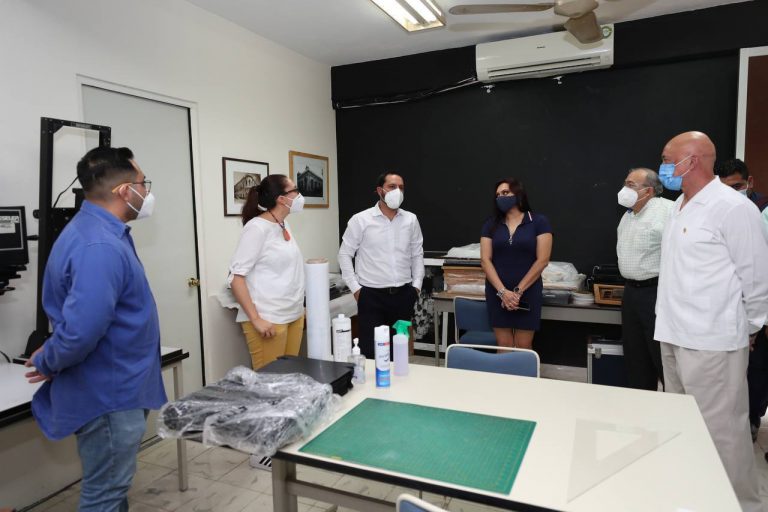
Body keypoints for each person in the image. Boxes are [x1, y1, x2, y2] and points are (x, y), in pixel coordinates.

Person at [24, 146, 166, 511]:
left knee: (112, 492)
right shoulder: (98, 245)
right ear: (125, 191)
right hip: (110, 394)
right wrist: (50, 359)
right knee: (104, 495)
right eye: (142, 184)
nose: (146, 192)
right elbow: (81, 331)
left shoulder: (100, 232)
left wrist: (52, 353)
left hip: (118, 385)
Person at [655, 131, 768, 512]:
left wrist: (750, 328)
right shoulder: (678, 206)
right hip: (673, 333)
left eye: (667, 160)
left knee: (723, 434)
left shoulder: (732, 207)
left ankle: (741, 505)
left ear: (692, 161)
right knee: (684, 426)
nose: (663, 167)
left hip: (713, 341)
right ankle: (695, 498)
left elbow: (756, 277)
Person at [338, 172, 424, 359]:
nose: (397, 191)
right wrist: (356, 289)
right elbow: (344, 254)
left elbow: (417, 254)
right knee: (371, 352)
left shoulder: (411, 220)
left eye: (401, 187)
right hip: (371, 297)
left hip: (403, 296)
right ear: (380, 190)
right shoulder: (361, 220)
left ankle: (399, 378)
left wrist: (416, 287)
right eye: (392, 187)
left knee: (399, 353)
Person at [228, 174, 306, 371]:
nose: (299, 195)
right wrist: (256, 319)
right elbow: (236, 279)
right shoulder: (256, 228)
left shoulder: (282, 223)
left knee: (289, 379)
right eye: (295, 190)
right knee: (269, 383)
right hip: (269, 319)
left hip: (293, 314)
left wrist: (299, 307)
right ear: (281, 198)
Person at [716, 158, 768, 439]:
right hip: (731, 306)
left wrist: (759, 319)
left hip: (759, 303)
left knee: (757, 370)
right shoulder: (717, 211)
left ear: (750, 182)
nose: (732, 193)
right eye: (725, 187)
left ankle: (751, 419)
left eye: (737, 186)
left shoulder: (762, 210)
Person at [615, 168, 673, 390]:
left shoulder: (667, 210)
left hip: (656, 292)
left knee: (661, 356)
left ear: (648, 191)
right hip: (631, 293)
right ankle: (641, 402)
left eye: (631, 185)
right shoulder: (628, 215)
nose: (624, 189)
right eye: (625, 183)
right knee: (635, 356)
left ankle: (675, 405)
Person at [480, 178, 552, 349]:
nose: (501, 197)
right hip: (497, 293)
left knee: (523, 345)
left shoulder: (539, 222)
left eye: (505, 193)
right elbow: (485, 260)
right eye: (498, 195)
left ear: (518, 194)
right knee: (503, 345)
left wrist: (517, 292)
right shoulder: (490, 224)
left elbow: (542, 260)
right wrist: (503, 292)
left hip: (528, 292)